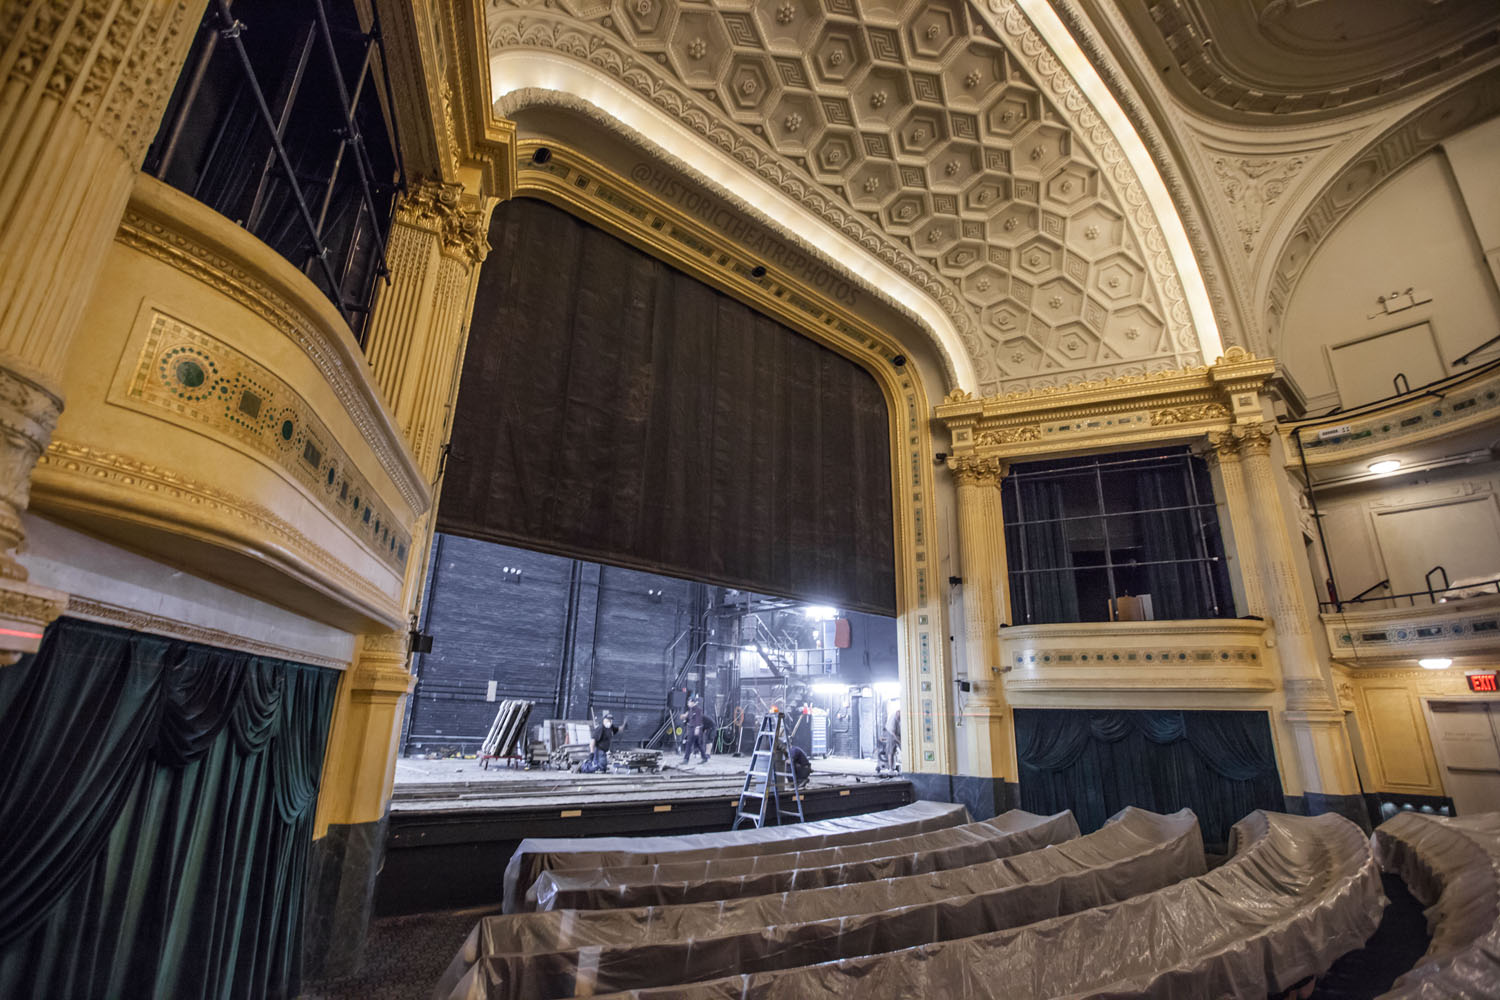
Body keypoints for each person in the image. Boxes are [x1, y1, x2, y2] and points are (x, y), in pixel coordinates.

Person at [680, 694, 710, 765]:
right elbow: (689, 718)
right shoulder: (690, 710)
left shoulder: (698, 710)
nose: (688, 703)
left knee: (689, 744)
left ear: (693, 702)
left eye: (689, 702)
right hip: (692, 729)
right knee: (698, 744)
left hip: (695, 729)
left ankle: (686, 760)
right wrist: (684, 717)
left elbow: (698, 720)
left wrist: (697, 728)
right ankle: (705, 758)